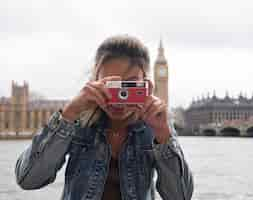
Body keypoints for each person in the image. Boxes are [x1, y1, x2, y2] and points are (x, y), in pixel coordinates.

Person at [14, 35, 194, 200]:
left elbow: (181, 197)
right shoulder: (77, 122)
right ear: (95, 82)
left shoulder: (156, 126)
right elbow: (28, 180)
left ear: (146, 84)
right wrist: (68, 114)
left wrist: (163, 136)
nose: (119, 97)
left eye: (129, 85)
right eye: (111, 85)